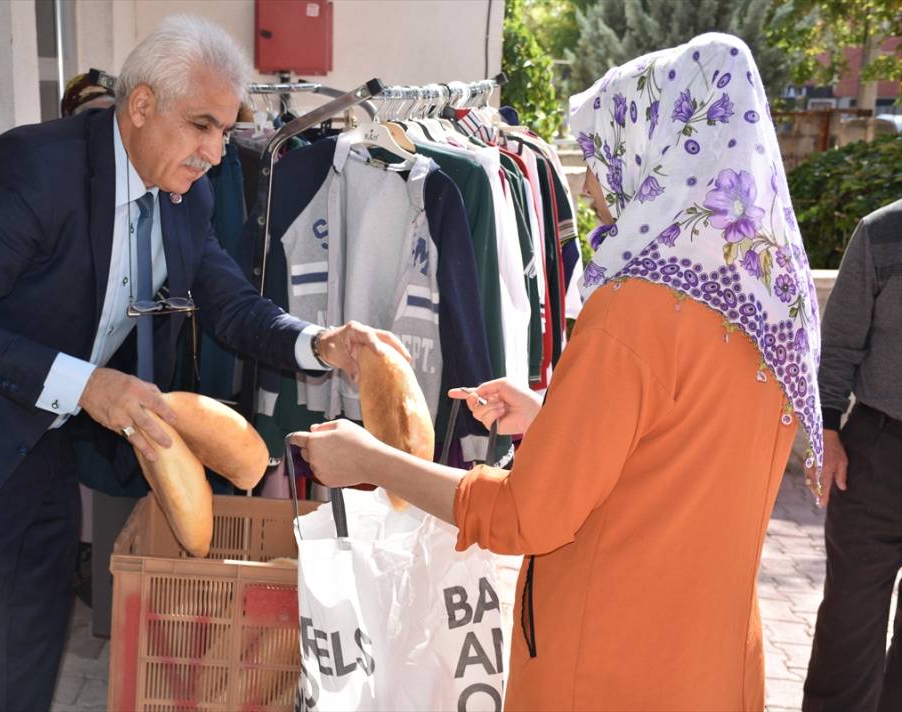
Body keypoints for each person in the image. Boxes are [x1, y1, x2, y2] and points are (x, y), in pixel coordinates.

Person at [0, 15, 404, 712]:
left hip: (42, 444)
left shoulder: (186, 193)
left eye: (226, 132)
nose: (215, 152)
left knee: (33, 647)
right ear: (141, 106)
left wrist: (318, 344)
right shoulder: (26, 170)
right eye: (201, 126)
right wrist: (89, 385)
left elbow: (229, 303)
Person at [291, 33, 823, 710]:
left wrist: (371, 458)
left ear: (659, 154)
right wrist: (555, 418)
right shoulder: (771, 304)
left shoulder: (634, 313)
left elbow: (523, 518)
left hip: (605, 667)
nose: (590, 185)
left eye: (603, 154)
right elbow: (682, 454)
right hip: (712, 668)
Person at [804, 199, 902, 712]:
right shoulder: (882, 233)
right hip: (876, 453)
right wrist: (827, 434)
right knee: (849, 623)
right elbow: (837, 343)